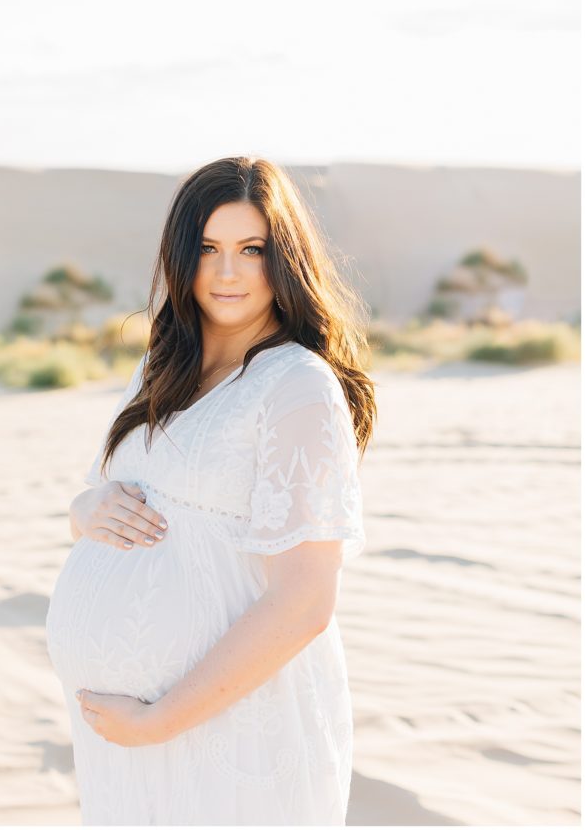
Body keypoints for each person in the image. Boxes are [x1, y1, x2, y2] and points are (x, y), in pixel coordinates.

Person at [45, 155, 377, 825]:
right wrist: (83, 509)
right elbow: (107, 504)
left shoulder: (294, 386)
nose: (226, 272)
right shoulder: (163, 366)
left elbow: (304, 600)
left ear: (283, 259)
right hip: (129, 742)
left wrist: (160, 719)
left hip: (225, 730)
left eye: (251, 249)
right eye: (207, 248)